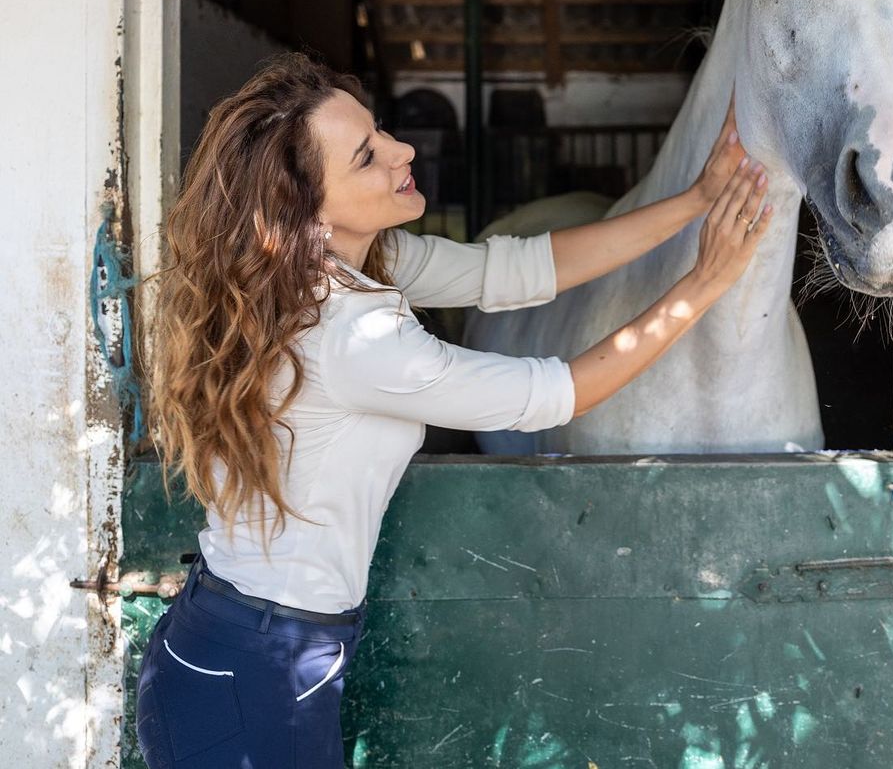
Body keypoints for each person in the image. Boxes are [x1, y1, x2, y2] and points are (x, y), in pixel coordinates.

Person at [135, 52, 772, 768]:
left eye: (380, 130)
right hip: (253, 668)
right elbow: (558, 393)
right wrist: (705, 283)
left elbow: (516, 270)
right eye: (367, 156)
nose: (402, 150)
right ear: (308, 212)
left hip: (256, 647)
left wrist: (695, 199)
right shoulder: (354, 336)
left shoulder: (352, 265)